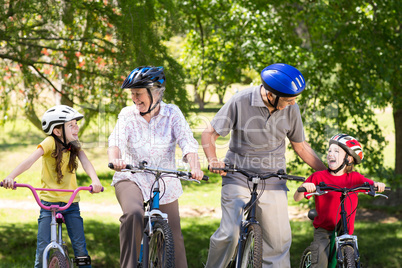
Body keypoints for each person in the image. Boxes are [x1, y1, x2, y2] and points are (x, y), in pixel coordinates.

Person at [202, 63, 327, 267]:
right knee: (229, 234)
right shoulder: (240, 100)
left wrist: (328, 173)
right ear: (271, 95)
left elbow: (301, 146)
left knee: (278, 242)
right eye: (289, 99)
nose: (293, 103)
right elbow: (209, 133)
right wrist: (213, 160)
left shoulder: (291, 108)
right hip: (238, 174)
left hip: (273, 177)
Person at [108, 66, 204, 268]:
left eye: (138, 93)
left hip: (164, 179)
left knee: (174, 237)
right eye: (132, 94)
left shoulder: (172, 113)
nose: (135, 98)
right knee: (133, 214)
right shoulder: (127, 115)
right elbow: (115, 141)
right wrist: (116, 160)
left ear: (156, 92)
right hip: (131, 176)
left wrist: (195, 166)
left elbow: (187, 141)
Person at [2, 105, 103, 268]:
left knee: (81, 251)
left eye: (76, 123)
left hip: (71, 203)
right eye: (71, 125)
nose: (76, 127)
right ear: (57, 131)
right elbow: (29, 161)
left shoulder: (75, 145)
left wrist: (95, 180)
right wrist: (10, 177)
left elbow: (86, 162)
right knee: (42, 251)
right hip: (48, 204)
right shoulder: (49, 142)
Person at [294, 133, 385, 267]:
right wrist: (305, 187)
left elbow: (371, 184)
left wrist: (378, 186)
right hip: (324, 230)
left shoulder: (354, 178)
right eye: (329, 150)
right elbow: (296, 198)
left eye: (336, 151)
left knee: (353, 259)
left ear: (348, 159)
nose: (330, 153)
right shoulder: (318, 177)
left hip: (346, 230)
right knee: (320, 262)